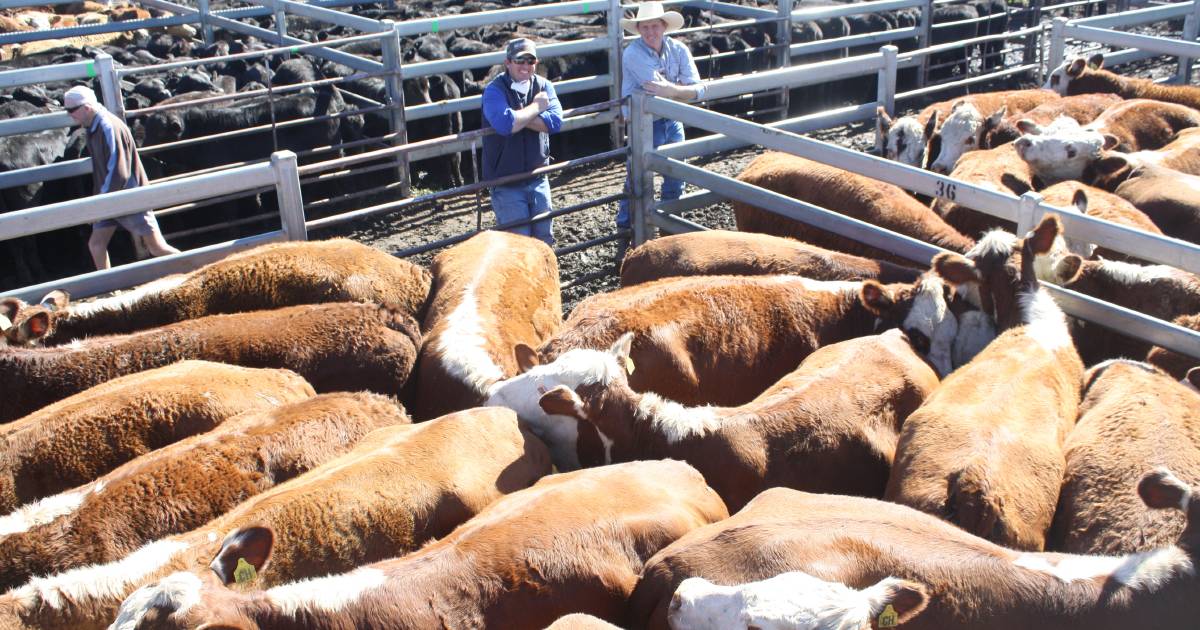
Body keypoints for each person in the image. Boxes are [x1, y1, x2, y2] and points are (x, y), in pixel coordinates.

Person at [616, 1, 707, 243]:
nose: (650, 32)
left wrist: (672, 90)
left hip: (672, 119)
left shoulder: (678, 49)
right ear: (638, 29)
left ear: (664, 26)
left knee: (676, 173)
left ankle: (669, 225)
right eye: (644, 27)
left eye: (654, 26)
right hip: (644, 123)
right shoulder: (633, 53)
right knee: (637, 177)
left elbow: (699, 89)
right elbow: (666, 90)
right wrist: (680, 91)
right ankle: (626, 228)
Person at [63, 85, 179, 270]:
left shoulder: (108, 127)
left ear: (86, 108)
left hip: (128, 197)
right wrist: (100, 202)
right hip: (111, 198)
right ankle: (110, 288)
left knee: (156, 247)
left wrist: (100, 204)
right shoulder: (94, 127)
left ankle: (196, 271)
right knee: (96, 245)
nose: (70, 115)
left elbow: (119, 172)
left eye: (71, 110)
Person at [480, 38, 564, 246]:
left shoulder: (544, 85)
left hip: (538, 176)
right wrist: (536, 108)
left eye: (530, 61)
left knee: (544, 240)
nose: (525, 66)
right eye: (520, 61)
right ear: (508, 63)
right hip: (506, 181)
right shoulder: (494, 90)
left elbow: (554, 122)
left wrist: (519, 118)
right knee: (519, 244)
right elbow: (505, 125)